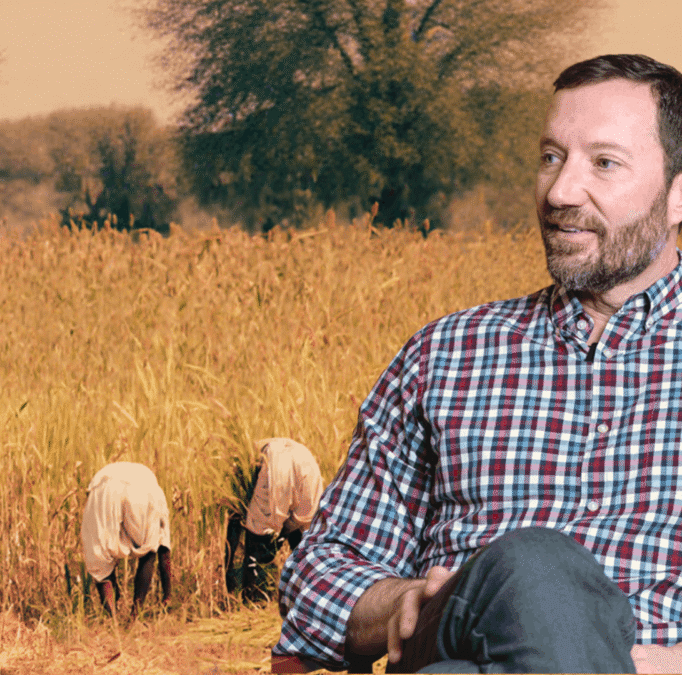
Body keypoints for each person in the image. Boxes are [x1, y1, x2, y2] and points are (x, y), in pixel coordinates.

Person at [273, 53, 682, 675]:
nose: (562, 192)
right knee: (532, 565)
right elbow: (318, 578)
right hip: (455, 630)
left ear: (679, 194)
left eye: (604, 162)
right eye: (551, 157)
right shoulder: (445, 355)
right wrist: (398, 601)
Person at [224, 438, 323, 602]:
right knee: (302, 538)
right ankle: (310, 596)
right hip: (308, 462)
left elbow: (236, 520)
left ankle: (254, 598)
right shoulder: (262, 450)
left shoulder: (242, 461)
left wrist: (229, 564)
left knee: (256, 543)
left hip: (276, 462)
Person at [81, 462, 172, 617]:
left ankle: (112, 619)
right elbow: (163, 551)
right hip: (144, 489)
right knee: (149, 551)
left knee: (100, 557)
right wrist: (167, 595)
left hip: (103, 488)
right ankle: (135, 615)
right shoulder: (157, 494)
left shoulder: (106, 477)